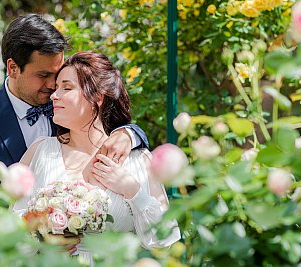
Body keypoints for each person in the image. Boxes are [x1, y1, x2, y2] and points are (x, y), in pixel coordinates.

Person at [0, 14, 149, 213]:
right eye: (43, 75)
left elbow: (106, 121)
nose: (52, 86)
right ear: (12, 68)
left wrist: (129, 134)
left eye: (57, 75)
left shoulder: (68, 108)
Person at [14, 51, 180, 263]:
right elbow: (13, 229)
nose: (54, 95)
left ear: (97, 97)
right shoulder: (40, 152)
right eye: (56, 88)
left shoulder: (135, 158)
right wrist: (41, 236)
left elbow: (166, 240)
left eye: (67, 88)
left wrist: (133, 191)